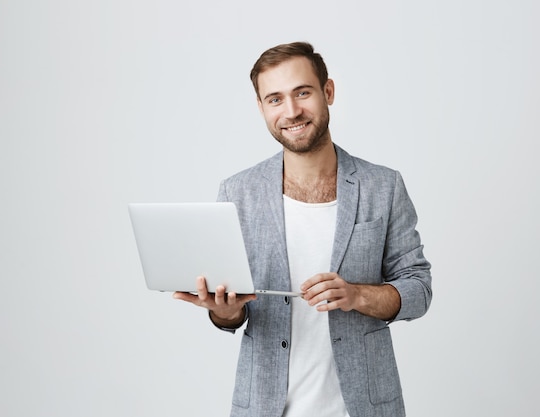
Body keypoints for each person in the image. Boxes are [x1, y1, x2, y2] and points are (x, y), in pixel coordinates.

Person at [173, 41, 432, 417]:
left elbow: (419, 289)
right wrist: (223, 312)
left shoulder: (383, 186)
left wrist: (357, 295)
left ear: (327, 92)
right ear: (261, 108)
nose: (291, 111)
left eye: (302, 93)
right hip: (264, 407)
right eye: (275, 99)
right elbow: (232, 308)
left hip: (364, 407)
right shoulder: (237, 192)